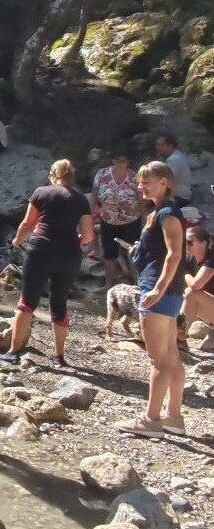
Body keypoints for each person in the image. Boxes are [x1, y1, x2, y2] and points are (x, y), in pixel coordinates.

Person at [115, 161, 187, 438]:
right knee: (170, 354)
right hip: (166, 290)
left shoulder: (167, 213)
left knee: (157, 359)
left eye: (146, 181)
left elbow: (175, 254)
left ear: (163, 183)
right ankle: (173, 417)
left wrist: (157, 288)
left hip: (158, 290)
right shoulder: (159, 212)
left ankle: (151, 420)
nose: (140, 186)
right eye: (140, 181)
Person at [0, 159, 94, 367]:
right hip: (69, 255)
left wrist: (17, 240)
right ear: (72, 177)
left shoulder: (41, 192)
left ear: (53, 175)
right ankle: (59, 356)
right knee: (59, 304)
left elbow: (27, 223)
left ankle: (14, 352)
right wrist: (75, 241)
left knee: (27, 301)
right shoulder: (80, 200)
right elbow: (88, 235)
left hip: (40, 250)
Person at [90, 151, 143, 287]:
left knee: (132, 251)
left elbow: (142, 201)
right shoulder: (102, 174)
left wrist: (141, 217)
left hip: (130, 221)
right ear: (113, 160)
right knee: (109, 254)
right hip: (108, 220)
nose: (121, 162)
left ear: (128, 161)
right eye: (118, 159)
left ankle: (138, 283)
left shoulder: (134, 177)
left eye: (124, 159)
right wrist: (93, 214)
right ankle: (109, 284)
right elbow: (94, 197)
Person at [179, 225, 214, 335]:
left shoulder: (211, 259)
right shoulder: (189, 259)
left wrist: (184, 273)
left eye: (190, 242)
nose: (186, 245)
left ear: (203, 243)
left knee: (191, 293)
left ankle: (180, 337)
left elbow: (195, 285)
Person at [155, 133, 192, 207]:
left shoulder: (174, 159)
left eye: (161, 145)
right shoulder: (177, 155)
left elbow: (166, 181)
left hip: (179, 197)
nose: (157, 147)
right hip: (181, 194)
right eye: (157, 144)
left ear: (170, 146)